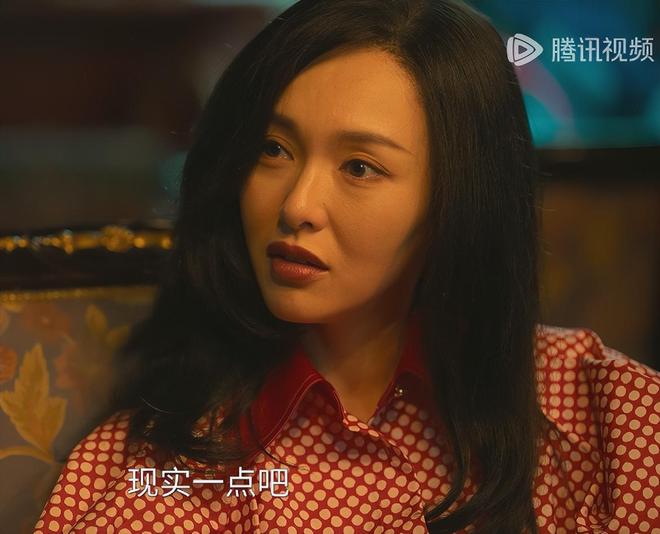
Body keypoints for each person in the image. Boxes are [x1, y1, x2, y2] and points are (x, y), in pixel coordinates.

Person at [35, 0, 660, 533]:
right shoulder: (155, 470)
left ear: (458, 200)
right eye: (273, 148)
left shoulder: (608, 417)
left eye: (359, 167)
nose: (297, 206)